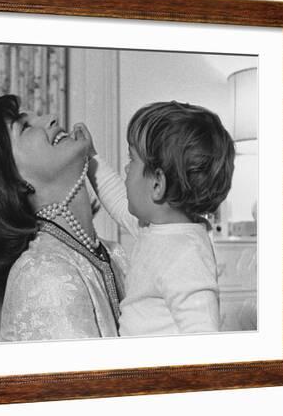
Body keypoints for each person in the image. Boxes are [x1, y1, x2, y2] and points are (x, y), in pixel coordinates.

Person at [0, 94, 128, 342]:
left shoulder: (114, 255)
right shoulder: (43, 275)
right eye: (25, 127)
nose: (52, 119)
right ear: (8, 181)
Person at [80, 101, 235, 336]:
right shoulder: (156, 227)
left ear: (157, 184)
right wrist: (91, 157)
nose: (126, 168)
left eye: (132, 160)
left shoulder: (186, 254)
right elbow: (119, 203)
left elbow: (203, 334)